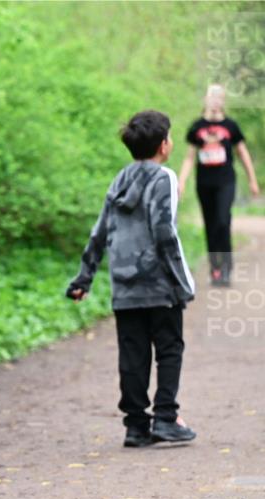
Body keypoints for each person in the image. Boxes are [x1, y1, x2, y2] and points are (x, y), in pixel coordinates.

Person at [67, 110, 197, 448]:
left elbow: (100, 231)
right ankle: (166, 418)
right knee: (169, 348)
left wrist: (85, 277)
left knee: (132, 353)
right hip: (159, 283)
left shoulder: (120, 179)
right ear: (164, 146)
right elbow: (164, 231)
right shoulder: (164, 177)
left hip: (124, 284)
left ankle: (136, 426)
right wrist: (183, 282)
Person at [178, 84, 260, 286]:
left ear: (223, 101)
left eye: (218, 98)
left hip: (226, 181)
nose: (214, 101)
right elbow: (189, 158)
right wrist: (181, 181)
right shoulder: (197, 127)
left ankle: (226, 268)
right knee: (210, 224)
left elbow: (242, 153)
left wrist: (252, 179)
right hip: (204, 183)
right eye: (211, 97)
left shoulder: (231, 126)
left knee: (223, 222)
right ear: (205, 100)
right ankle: (215, 269)